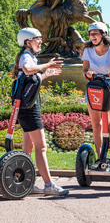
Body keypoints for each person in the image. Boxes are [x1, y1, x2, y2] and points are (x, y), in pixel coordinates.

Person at [13, 27, 69, 196]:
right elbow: (28, 70)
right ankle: (48, 184)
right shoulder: (26, 56)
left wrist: (46, 74)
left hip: (26, 107)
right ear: (27, 42)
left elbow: (31, 78)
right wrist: (47, 65)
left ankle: (23, 182)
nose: (41, 42)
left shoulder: (30, 56)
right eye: (38, 39)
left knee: (28, 147)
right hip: (29, 109)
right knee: (41, 146)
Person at [81, 22, 110, 170]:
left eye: (95, 33)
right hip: (93, 86)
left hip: (108, 86)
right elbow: (85, 70)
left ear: (103, 34)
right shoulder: (88, 50)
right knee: (96, 125)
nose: (92, 36)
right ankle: (101, 159)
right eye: (90, 34)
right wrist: (87, 74)